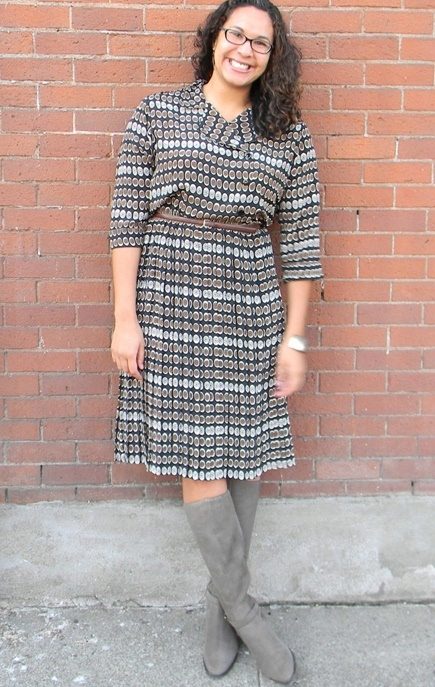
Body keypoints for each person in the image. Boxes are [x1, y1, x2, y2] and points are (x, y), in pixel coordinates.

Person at [109, 0, 322, 682]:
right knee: (199, 457)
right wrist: (124, 318)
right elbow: (125, 220)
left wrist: (294, 340)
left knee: (243, 452)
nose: (245, 50)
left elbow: (304, 245)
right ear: (214, 39)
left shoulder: (287, 133)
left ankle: (218, 609)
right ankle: (245, 612)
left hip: (251, 305)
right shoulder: (157, 113)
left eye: (261, 43)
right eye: (236, 34)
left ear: (273, 57)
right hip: (169, 302)